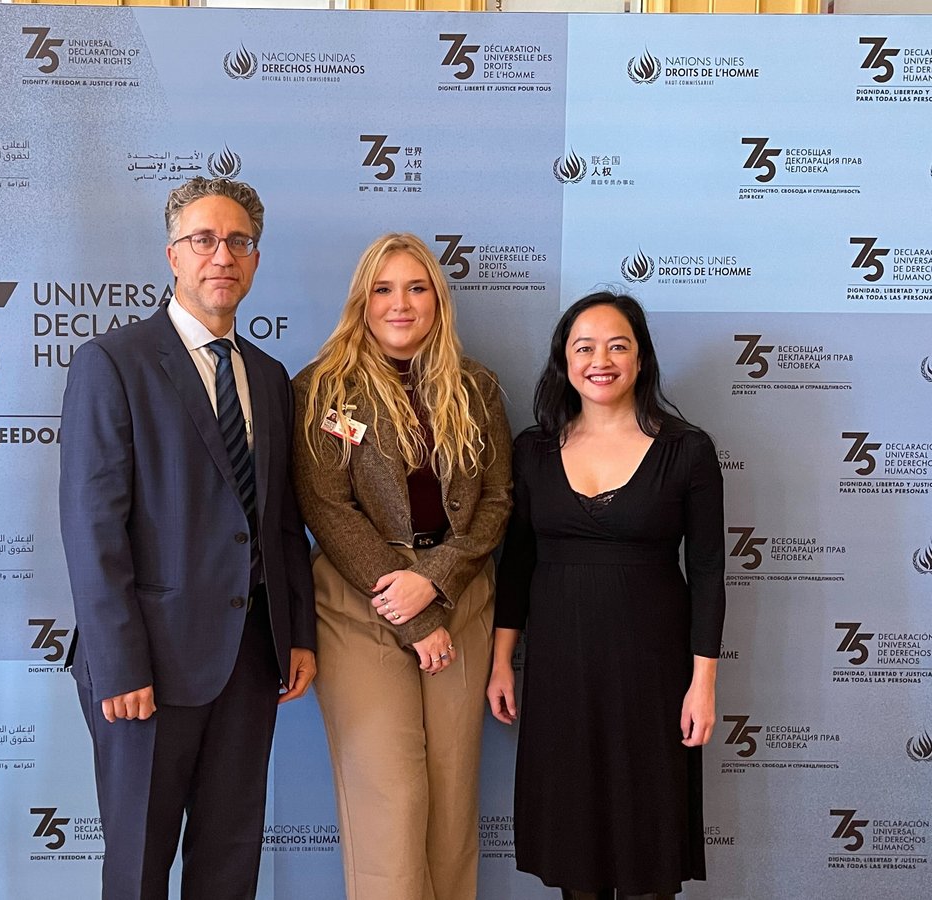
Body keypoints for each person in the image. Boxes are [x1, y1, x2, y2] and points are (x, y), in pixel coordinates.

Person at [58, 176, 317, 900]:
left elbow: (279, 520)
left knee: (230, 861)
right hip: (148, 667)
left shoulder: (268, 377)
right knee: (138, 865)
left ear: (256, 261)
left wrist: (297, 633)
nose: (222, 255)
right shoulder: (113, 362)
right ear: (173, 254)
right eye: (204, 239)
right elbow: (92, 524)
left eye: (239, 241)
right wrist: (118, 662)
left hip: (249, 657)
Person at [292, 232, 512, 900]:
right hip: (361, 612)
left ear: (438, 301)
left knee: (450, 810)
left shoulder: (476, 387)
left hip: (461, 601)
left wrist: (438, 581)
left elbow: (498, 500)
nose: (400, 304)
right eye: (384, 289)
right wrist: (412, 617)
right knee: (391, 805)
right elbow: (328, 511)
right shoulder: (322, 390)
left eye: (417, 288)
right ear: (362, 301)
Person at [487, 292, 725, 900]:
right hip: (561, 671)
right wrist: (501, 663)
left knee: (648, 848)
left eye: (618, 345)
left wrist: (703, 684)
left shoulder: (687, 450)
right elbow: (515, 567)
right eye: (584, 346)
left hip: (653, 674)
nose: (601, 359)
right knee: (576, 850)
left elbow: (707, 574)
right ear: (563, 361)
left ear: (641, 359)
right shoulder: (532, 449)